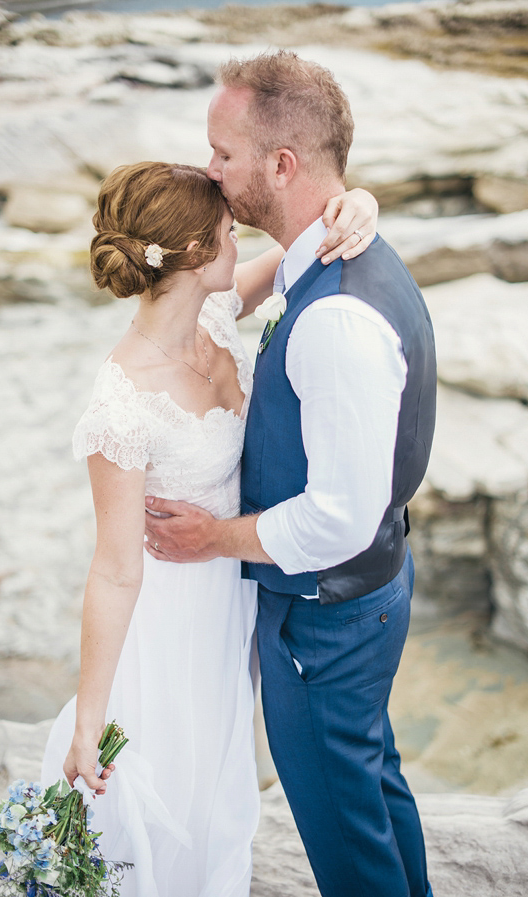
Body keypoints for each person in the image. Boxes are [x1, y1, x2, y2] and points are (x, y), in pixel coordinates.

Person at [143, 50, 437, 897]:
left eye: (223, 153)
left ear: (282, 164)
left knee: (349, 846)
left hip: (325, 620)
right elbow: (226, 297)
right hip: (364, 597)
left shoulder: (338, 318)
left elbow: (337, 518)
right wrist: (359, 197)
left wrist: (210, 539)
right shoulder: (328, 259)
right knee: (372, 788)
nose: (211, 170)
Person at [41, 160, 377, 896]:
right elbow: (114, 567)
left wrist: (360, 202)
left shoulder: (215, 315)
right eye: (230, 232)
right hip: (166, 624)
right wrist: (89, 716)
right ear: (194, 255)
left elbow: (313, 242)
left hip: (231, 600)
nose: (242, 239)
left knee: (220, 782)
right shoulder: (120, 404)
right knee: (170, 794)